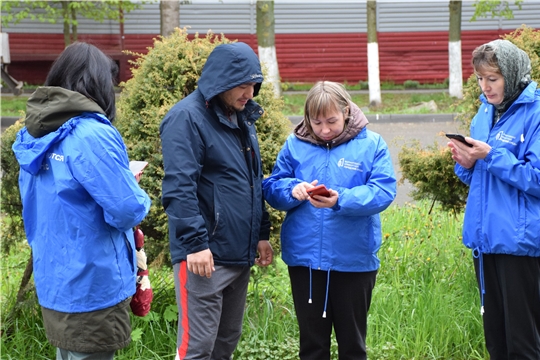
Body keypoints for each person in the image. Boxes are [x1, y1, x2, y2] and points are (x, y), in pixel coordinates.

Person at [12, 42, 151, 360]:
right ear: (99, 85)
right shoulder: (91, 133)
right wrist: (133, 188)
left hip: (55, 281)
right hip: (93, 284)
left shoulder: (35, 132)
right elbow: (127, 208)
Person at [262, 81, 396, 360]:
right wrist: (292, 190)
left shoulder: (372, 144)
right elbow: (272, 187)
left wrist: (340, 200)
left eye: (332, 121)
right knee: (312, 347)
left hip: (354, 260)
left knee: (353, 346)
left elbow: (383, 192)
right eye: (317, 122)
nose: (324, 130)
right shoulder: (294, 144)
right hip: (306, 262)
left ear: (346, 111)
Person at [159, 42, 274, 360]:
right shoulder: (186, 118)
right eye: (242, 84)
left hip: (239, 255)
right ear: (220, 81)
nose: (249, 92)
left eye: (254, 84)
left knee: (225, 345)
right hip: (203, 258)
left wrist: (261, 234)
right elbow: (178, 188)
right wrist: (195, 244)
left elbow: (252, 181)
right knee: (197, 348)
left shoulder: (241, 117)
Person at [448, 39, 540, 359]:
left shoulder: (535, 112)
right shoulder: (484, 113)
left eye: (493, 78)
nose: (485, 87)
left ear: (512, 75)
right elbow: (478, 179)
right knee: (496, 341)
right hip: (484, 241)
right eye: (479, 79)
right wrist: (467, 163)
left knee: (523, 343)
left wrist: (491, 155)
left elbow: (537, 178)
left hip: (519, 243)